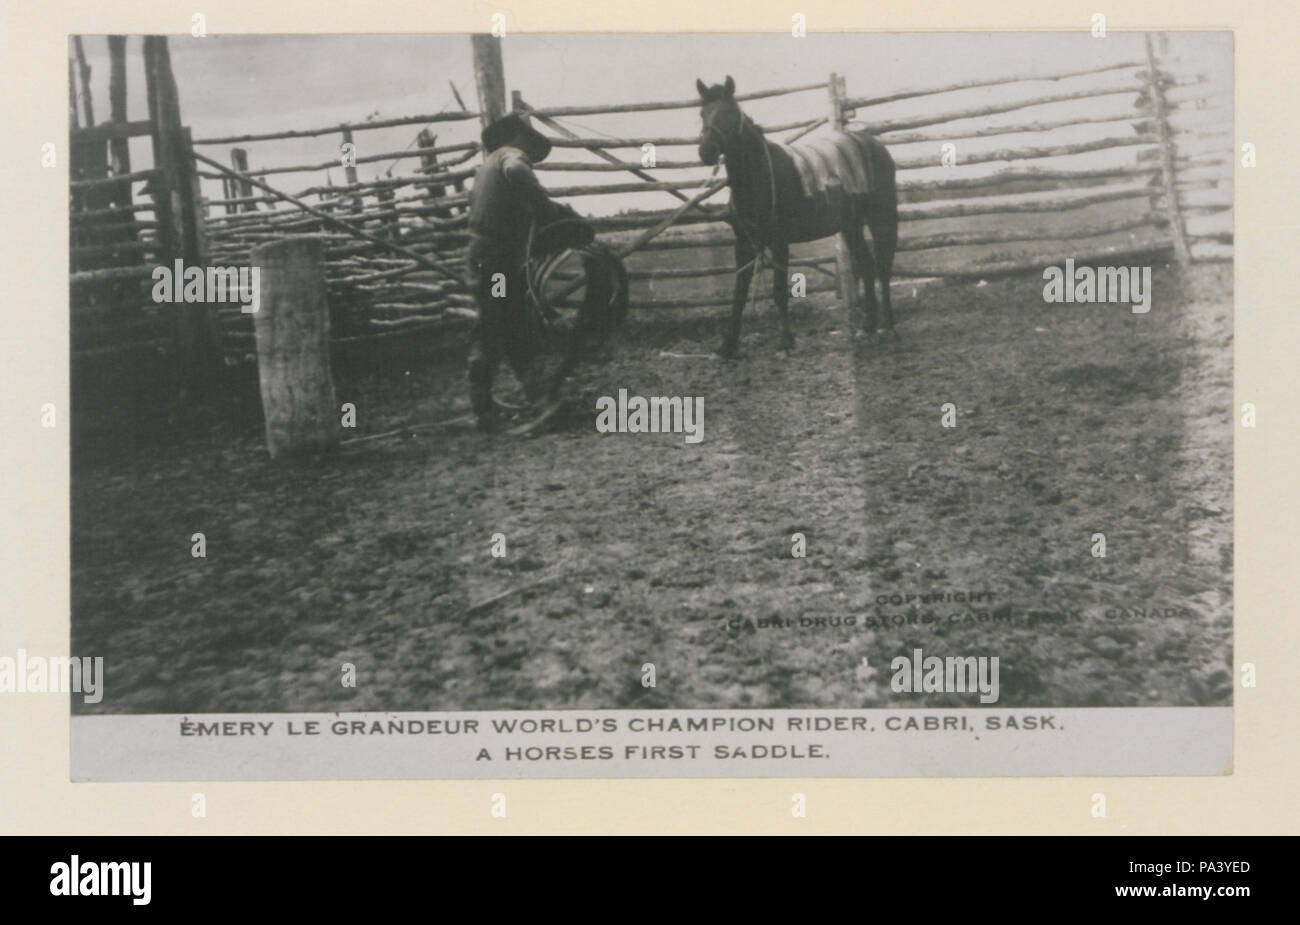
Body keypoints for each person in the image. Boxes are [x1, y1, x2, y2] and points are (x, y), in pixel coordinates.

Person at [465, 112, 593, 430]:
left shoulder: (487, 164)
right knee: (500, 323)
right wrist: (545, 206)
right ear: (519, 137)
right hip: (496, 261)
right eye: (527, 141)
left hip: (488, 256)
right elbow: (518, 170)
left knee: (506, 323)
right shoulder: (510, 156)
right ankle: (505, 405)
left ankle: (517, 400)